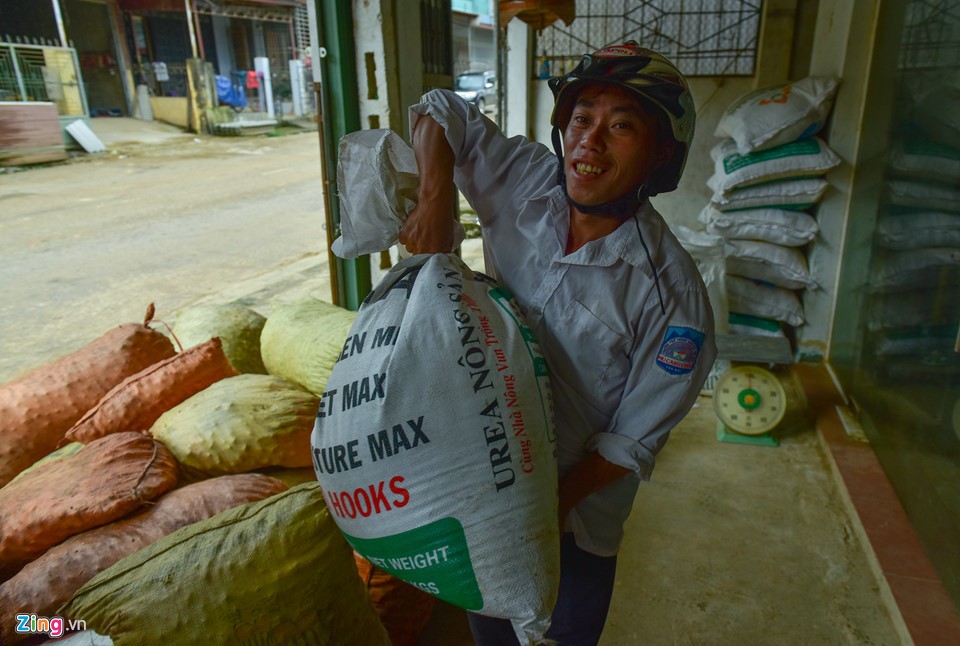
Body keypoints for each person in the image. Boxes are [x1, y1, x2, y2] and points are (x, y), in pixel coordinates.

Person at [399, 41, 718, 645]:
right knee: (490, 635)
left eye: (621, 126)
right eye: (580, 120)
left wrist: (529, 508)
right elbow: (440, 109)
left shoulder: (673, 298)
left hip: (574, 528)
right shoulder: (525, 184)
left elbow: (625, 445)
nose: (590, 143)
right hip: (481, 498)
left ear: (662, 154)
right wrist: (435, 197)